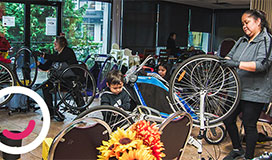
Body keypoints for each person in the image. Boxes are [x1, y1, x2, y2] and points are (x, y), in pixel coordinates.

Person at [219, 10, 272, 160]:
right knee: (227, 118)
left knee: (249, 125)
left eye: (247, 22)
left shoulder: (267, 40)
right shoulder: (242, 41)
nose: (244, 26)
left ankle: (248, 157)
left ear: (258, 22)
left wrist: (236, 64)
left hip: (254, 92)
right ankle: (237, 148)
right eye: (242, 23)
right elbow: (230, 56)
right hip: (236, 90)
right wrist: (225, 61)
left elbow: (261, 65)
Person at [37, 36, 78, 121]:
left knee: (75, 90)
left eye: (56, 42)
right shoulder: (55, 54)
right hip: (58, 80)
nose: (54, 44)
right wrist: (38, 63)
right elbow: (45, 67)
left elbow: (60, 58)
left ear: (62, 43)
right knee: (45, 87)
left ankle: (82, 111)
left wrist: (44, 55)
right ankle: (51, 112)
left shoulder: (68, 51)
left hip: (70, 79)